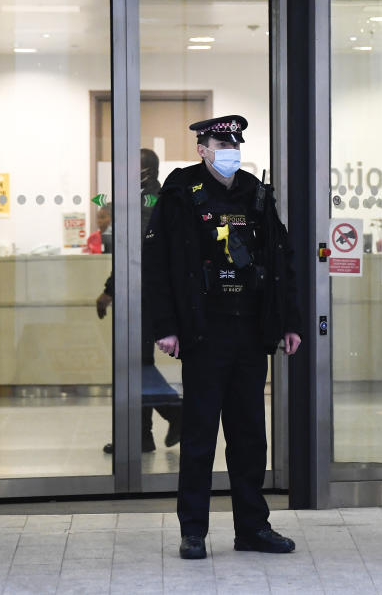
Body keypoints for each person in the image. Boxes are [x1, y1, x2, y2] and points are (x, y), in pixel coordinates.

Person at [143, 115, 302, 560]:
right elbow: (158, 267)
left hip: (251, 331)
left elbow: (281, 257)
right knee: (198, 437)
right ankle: (193, 530)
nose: (229, 149)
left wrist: (289, 321)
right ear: (202, 148)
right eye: (221, 142)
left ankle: (252, 527)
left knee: (250, 435)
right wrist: (166, 327)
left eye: (235, 142)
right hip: (203, 332)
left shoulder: (254, 191)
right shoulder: (179, 194)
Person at [98, 148, 182, 454]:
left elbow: (134, 251)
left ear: (145, 171)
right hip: (147, 292)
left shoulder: (146, 203)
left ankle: (174, 412)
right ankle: (142, 436)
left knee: (136, 363)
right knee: (138, 363)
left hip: (143, 293)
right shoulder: (152, 198)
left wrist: (110, 289)